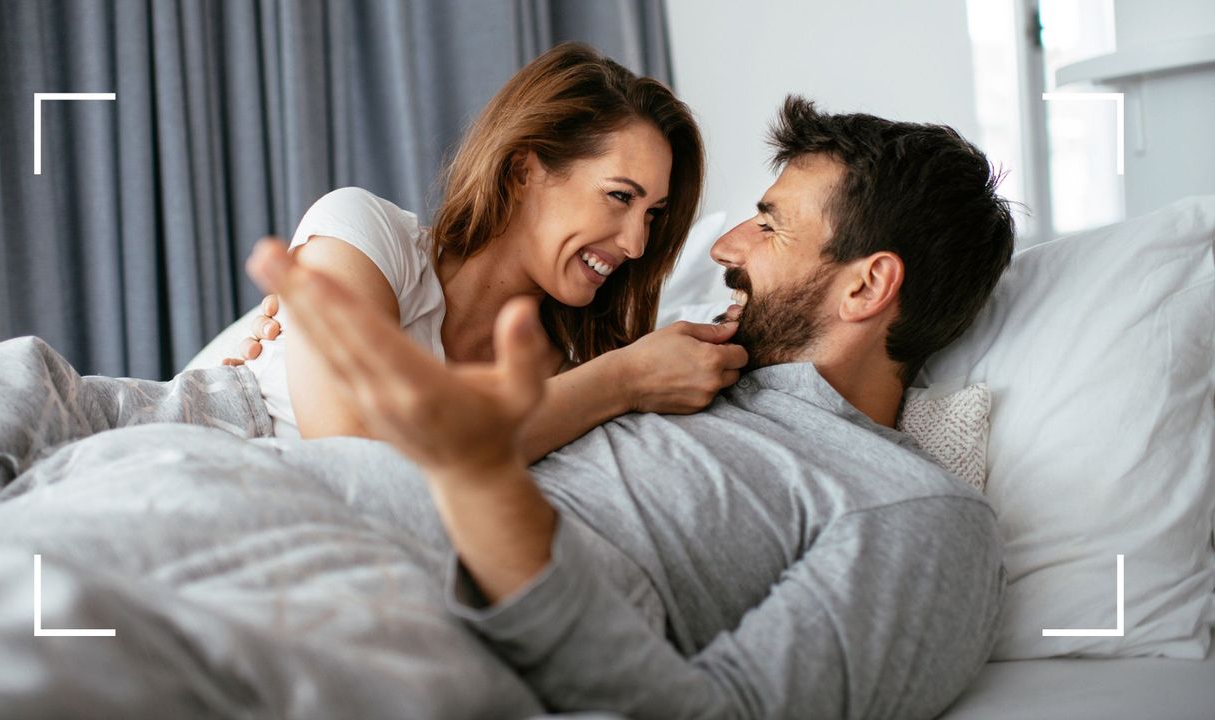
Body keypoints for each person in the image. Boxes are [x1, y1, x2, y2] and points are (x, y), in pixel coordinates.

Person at [244, 94, 1017, 718]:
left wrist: (491, 505)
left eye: (770, 227)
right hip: (272, 495)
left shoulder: (914, 509)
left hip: (365, 600)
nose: (722, 248)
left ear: (866, 286)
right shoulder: (662, 366)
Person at [229, 42, 747, 461]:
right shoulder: (364, 233)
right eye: (619, 197)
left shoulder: (565, 383)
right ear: (524, 170)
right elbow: (358, 464)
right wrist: (622, 380)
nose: (637, 245)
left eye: (652, 214)